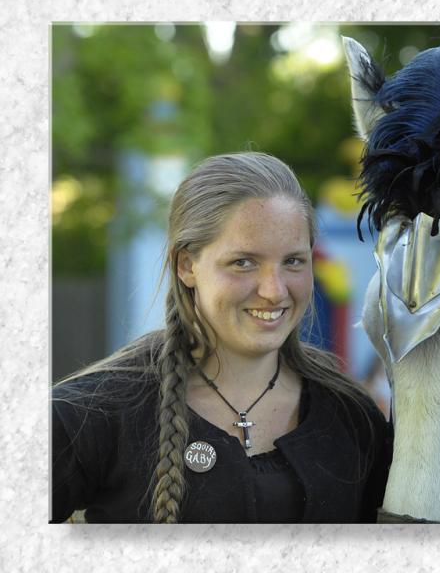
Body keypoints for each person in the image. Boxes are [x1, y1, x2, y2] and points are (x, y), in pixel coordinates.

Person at [51, 152, 391, 523]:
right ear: (187, 266)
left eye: (293, 261)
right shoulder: (91, 413)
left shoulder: (351, 417)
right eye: (243, 262)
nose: (274, 291)